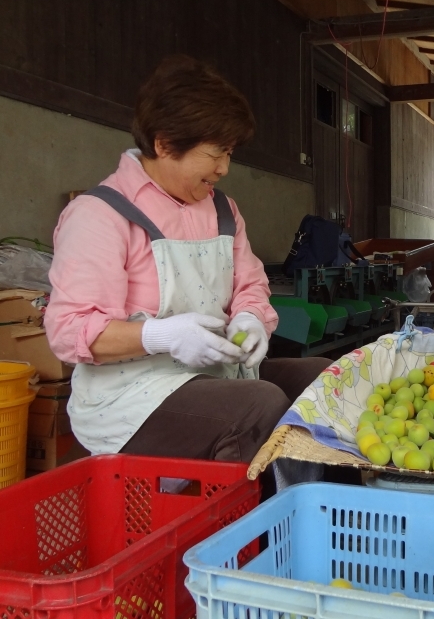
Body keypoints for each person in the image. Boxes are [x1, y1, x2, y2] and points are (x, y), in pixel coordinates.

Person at [45, 55, 330, 468]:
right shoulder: (101, 214)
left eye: (229, 153)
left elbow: (250, 285)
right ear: (164, 144)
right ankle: (244, 529)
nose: (225, 168)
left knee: (322, 380)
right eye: (215, 153)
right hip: (130, 397)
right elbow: (69, 330)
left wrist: (252, 318)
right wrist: (161, 337)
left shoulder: (223, 211)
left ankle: (316, 516)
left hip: (218, 378)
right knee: (257, 406)